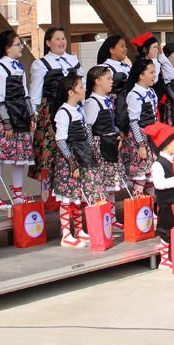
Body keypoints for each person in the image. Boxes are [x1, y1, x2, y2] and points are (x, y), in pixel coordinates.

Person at [0, 30, 35, 211]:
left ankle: (18, 194)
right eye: (17, 44)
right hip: (5, 115)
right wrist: (6, 121)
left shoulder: (18, 66)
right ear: (7, 48)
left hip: (20, 114)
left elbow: (26, 93)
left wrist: (30, 114)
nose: (21, 47)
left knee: (19, 157)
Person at [28, 27, 82, 196]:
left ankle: (72, 191)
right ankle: (48, 195)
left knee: (74, 149)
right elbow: (35, 94)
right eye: (57, 39)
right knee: (49, 153)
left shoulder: (73, 60)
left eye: (63, 38)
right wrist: (34, 114)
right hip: (50, 111)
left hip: (74, 110)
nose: (61, 42)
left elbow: (82, 87)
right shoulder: (41, 64)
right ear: (48, 43)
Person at [53, 72, 101, 248]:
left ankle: (79, 230)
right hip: (70, 157)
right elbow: (60, 139)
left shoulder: (79, 109)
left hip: (82, 155)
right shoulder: (63, 112)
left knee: (78, 195)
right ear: (70, 92)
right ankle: (66, 233)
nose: (84, 89)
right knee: (67, 196)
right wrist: (71, 162)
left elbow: (87, 133)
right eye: (80, 86)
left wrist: (91, 152)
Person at [83, 64, 124, 232]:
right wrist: (92, 149)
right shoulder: (92, 102)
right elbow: (88, 128)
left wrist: (117, 134)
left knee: (110, 185)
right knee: (100, 185)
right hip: (100, 147)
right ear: (97, 81)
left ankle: (112, 218)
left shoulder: (106, 100)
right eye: (108, 78)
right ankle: (102, 220)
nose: (111, 81)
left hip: (110, 144)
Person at [146, 122, 174, 269]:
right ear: (165, 144)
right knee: (166, 231)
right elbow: (159, 184)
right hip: (166, 202)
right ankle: (165, 260)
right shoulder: (158, 164)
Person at [124, 56, 160, 196]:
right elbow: (133, 121)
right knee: (141, 177)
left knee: (151, 177)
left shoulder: (151, 92)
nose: (154, 75)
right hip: (141, 138)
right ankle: (138, 208)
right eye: (151, 72)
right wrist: (140, 144)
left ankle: (151, 212)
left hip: (152, 137)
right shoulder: (134, 94)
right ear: (141, 75)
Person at [98, 34, 131, 135]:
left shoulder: (127, 67)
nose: (125, 49)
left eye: (125, 46)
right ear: (111, 50)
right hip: (115, 112)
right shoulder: (103, 68)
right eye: (122, 46)